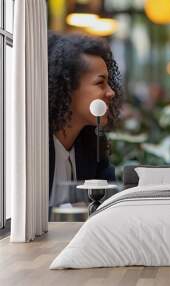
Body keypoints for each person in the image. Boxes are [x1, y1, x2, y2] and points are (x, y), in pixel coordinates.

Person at [48, 32, 122, 208]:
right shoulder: (33, 148)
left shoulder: (93, 146)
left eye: (109, 83)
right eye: (100, 83)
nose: (111, 92)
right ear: (67, 87)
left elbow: (110, 203)